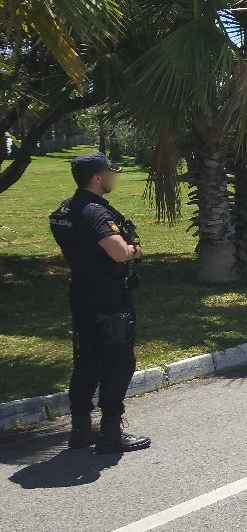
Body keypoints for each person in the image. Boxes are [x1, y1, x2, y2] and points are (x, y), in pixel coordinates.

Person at [49, 152, 151, 453]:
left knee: (88, 358)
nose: (112, 177)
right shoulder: (94, 212)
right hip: (109, 298)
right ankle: (110, 431)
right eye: (109, 173)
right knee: (119, 360)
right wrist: (134, 250)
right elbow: (118, 252)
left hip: (82, 293)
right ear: (97, 177)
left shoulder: (64, 211)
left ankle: (80, 428)